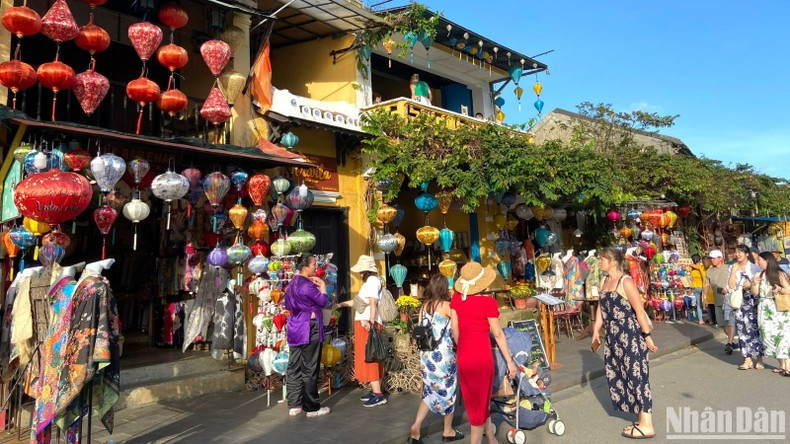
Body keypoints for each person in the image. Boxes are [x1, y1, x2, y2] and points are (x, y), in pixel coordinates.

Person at [592, 247, 657, 439]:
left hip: (630, 334)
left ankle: (648, 424)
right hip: (613, 336)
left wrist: (647, 336)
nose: (600, 261)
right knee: (621, 374)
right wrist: (596, 329)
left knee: (637, 376)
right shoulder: (605, 281)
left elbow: (639, 311)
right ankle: (640, 418)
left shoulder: (625, 281)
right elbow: (601, 307)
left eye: (603, 259)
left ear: (613, 262)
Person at [450, 262, 516, 444]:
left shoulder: (457, 299)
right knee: (479, 408)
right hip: (481, 356)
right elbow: (498, 334)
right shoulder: (488, 302)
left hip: (464, 355)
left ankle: (491, 438)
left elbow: (454, 327)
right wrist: (510, 361)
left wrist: (462, 345)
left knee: (478, 401)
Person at [408, 275, 463, 444]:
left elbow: (420, 331)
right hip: (443, 357)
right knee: (448, 392)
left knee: (430, 391)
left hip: (426, 356)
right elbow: (455, 329)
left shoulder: (424, 306)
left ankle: (416, 426)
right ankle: (447, 430)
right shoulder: (448, 306)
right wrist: (462, 347)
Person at [335, 255, 387, 407]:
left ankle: (378, 394)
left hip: (367, 323)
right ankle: (376, 390)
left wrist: (370, 321)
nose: (360, 274)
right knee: (371, 355)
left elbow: (373, 302)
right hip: (365, 322)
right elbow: (359, 302)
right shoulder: (370, 282)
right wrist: (341, 304)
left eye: (361, 271)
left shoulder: (372, 281)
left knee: (370, 356)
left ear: (365, 271)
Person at [284, 253, 330, 417]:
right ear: (305, 267)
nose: (315, 267)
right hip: (309, 327)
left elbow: (287, 305)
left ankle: (294, 404)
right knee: (310, 367)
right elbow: (323, 301)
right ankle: (312, 407)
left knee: (294, 366)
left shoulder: (291, 284)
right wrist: (322, 285)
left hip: (295, 326)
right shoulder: (307, 285)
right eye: (313, 264)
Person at [753, 252, 790, 376]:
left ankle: (788, 366)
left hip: (778, 307)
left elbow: (789, 290)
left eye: (760, 260)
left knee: (782, 335)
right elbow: (755, 293)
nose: (758, 262)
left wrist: (780, 289)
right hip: (764, 308)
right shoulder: (759, 275)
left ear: (767, 261)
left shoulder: (779, 274)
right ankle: (781, 365)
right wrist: (754, 283)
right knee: (769, 336)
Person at [729, 244, 764, 370]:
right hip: (739, 302)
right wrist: (734, 271)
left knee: (755, 329)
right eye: (736, 252)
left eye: (740, 252)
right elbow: (731, 285)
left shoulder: (754, 267)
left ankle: (759, 359)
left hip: (753, 301)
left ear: (747, 254)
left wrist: (751, 284)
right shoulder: (732, 267)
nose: (737, 254)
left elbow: (760, 284)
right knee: (742, 330)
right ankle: (747, 359)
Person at [704, 250, 737, 352]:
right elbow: (706, 285)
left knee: (730, 322)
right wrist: (704, 298)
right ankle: (732, 342)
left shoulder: (729, 268)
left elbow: (736, 280)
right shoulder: (709, 271)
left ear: (720, 258)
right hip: (717, 301)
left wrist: (728, 289)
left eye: (714, 258)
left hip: (729, 300)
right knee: (722, 324)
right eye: (711, 258)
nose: (712, 260)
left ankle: (729, 343)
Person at [689, 254, 706, 324]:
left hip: (695, 287)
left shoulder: (691, 268)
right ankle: (711, 320)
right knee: (705, 303)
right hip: (702, 287)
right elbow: (704, 277)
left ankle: (700, 320)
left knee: (699, 304)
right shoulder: (701, 267)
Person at [702, 257, 716, 325]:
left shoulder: (702, 268)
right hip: (712, 289)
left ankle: (711, 320)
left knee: (709, 307)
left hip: (707, 290)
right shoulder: (712, 268)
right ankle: (714, 320)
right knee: (714, 306)